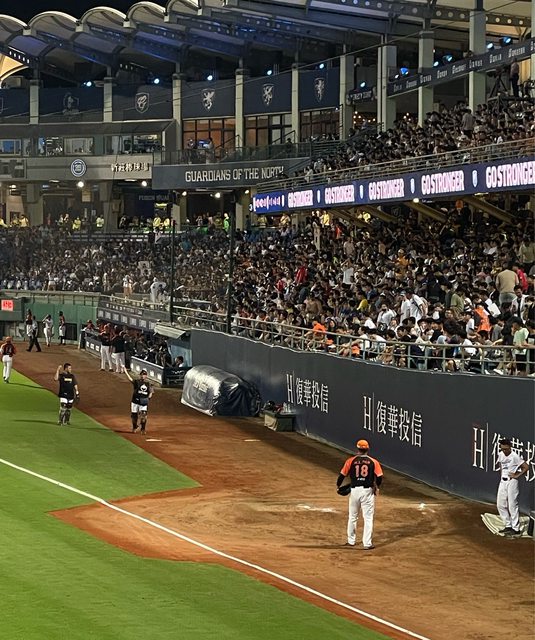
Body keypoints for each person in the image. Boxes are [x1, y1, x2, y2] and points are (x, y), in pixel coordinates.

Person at [337, 439, 384, 549]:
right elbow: (379, 476)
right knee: (368, 518)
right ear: (367, 449)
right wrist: (377, 486)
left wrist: (338, 486)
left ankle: (351, 541)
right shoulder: (373, 461)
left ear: (357, 449)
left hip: (354, 491)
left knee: (353, 517)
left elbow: (342, 475)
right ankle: (367, 543)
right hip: (367, 492)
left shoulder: (351, 461)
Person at [496, 438, 528, 536]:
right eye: (502, 449)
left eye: (506, 449)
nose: (504, 451)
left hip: (512, 482)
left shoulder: (515, 456)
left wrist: (516, 475)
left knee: (512, 505)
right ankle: (508, 525)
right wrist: (502, 476)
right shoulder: (500, 454)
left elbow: (526, 467)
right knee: (500, 504)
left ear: (510, 447)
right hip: (503, 481)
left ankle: (516, 528)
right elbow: (501, 465)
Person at [124, 368, 154, 435]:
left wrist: (148, 399)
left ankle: (143, 429)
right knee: (134, 416)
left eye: (144, 375)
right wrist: (125, 371)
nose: (143, 376)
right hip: (135, 401)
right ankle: (134, 427)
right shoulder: (136, 382)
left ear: (146, 376)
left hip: (143, 402)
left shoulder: (149, 384)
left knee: (143, 415)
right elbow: (130, 379)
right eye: (142, 375)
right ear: (140, 375)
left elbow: (151, 392)